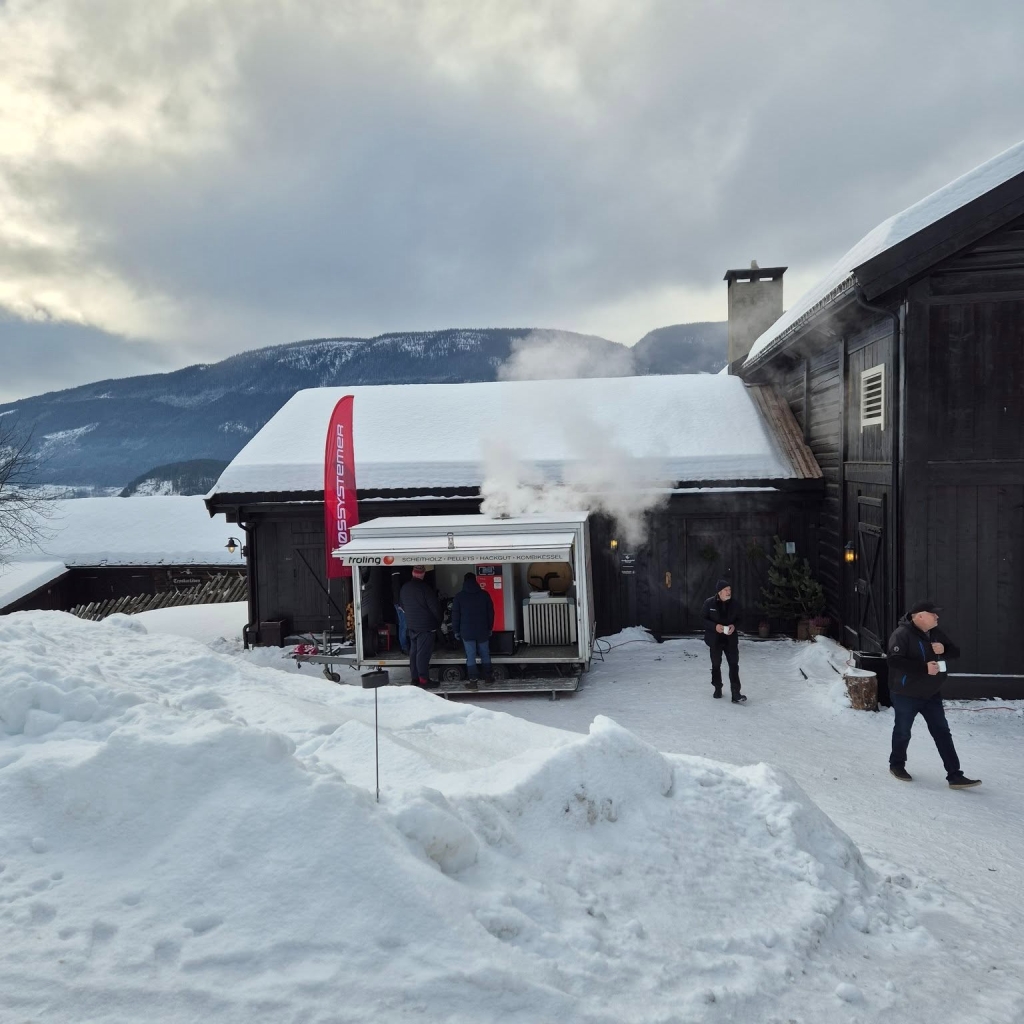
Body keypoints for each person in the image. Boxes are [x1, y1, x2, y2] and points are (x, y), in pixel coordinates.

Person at [886, 601, 980, 788]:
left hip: (931, 693)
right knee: (903, 732)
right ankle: (896, 765)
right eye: (933, 614)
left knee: (942, 732)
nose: (937, 617)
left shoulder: (936, 633)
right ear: (919, 616)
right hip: (906, 693)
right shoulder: (901, 634)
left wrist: (944, 650)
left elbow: (955, 651)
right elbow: (894, 661)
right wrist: (923, 668)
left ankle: (954, 775)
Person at [702, 579, 745, 703]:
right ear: (719, 592)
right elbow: (703, 619)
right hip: (715, 640)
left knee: (734, 664)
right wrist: (715, 627)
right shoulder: (709, 603)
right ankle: (717, 687)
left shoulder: (735, 604)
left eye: (730, 590)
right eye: (726, 590)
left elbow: (740, 618)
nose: (729, 592)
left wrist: (734, 626)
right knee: (716, 664)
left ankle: (736, 693)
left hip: (730, 639)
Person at [399, 565, 441, 688]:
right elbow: (435, 608)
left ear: (413, 573)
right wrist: (439, 622)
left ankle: (414, 678)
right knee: (423, 654)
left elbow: (402, 606)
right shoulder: (425, 589)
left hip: (412, 625)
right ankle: (424, 680)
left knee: (414, 652)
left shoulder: (404, 588)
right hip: (426, 627)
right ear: (423, 574)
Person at [452, 572, 495, 689]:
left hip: (467, 632)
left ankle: (473, 681)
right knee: (485, 653)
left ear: (464, 582)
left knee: (470, 656)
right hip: (482, 630)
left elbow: (455, 616)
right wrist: (490, 627)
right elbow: (491, 613)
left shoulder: (459, 597)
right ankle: (488, 677)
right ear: (475, 580)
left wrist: (456, 631)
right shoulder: (484, 594)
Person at [390, 568, 409, 654]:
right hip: (400, 603)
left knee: (403, 625)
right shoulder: (396, 570)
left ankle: (404, 646)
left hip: (400, 602)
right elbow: (396, 588)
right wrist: (400, 604)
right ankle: (404, 647)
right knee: (404, 626)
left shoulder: (396, 570)